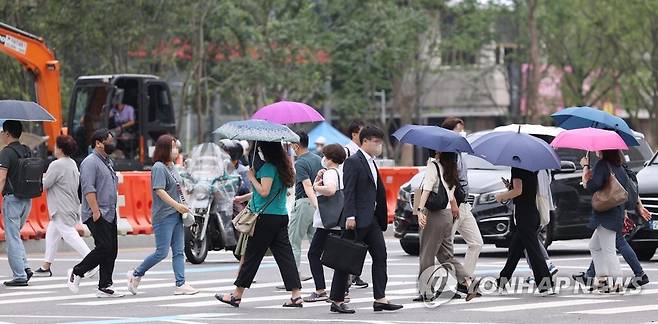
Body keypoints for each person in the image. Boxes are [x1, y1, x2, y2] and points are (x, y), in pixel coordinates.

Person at [216, 141, 303, 308]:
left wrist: (251, 178)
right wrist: (244, 197)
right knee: (286, 257)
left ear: (265, 149)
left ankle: (236, 295)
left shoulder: (268, 167)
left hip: (265, 218)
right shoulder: (283, 167)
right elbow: (265, 191)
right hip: (280, 216)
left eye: (260, 147)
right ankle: (296, 295)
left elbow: (264, 191)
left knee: (251, 257)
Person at [328, 126, 403, 314]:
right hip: (357, 219)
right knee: (346, 259)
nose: (379, 145)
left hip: (372, 220)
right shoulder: (354, 161)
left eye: (380, 141)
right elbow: (349, 190)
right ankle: (336, 300)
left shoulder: (372, 161)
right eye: (375, 141)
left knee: (380, 255)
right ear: (365, 142)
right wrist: (350, 216)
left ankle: (380, 298)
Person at [127, 135, 199, 296]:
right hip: (164, 216)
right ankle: (136, 273)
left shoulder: (172, 166)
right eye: (173, 147)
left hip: (177, 215)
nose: (176, 150)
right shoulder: (159, 167)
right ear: (165, 149)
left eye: (176, 146)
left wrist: (184, 206)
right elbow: (159, 191)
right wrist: (177, 205)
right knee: (162, 252)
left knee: (179, 251)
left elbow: (178, 189)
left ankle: (181, 284)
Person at [415, 151, 479, 302]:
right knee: (446, 256)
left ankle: (426, 291)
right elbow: (451, 194)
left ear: (438, 151)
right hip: (447, 215)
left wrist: (419, 210)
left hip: (434, 214)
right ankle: (468, 282)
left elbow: (427, 189)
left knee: (427, 254)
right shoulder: (450, 166)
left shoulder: (434, 164)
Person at [67, 129, 123, 298]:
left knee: (111, 249)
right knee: (105, 247)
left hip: (110, 212)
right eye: (108, 141)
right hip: (98, 212)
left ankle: (104, 286)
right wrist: (96, 211)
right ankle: (77, 272)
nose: (111, 144)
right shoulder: (90, 162)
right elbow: (88, 189)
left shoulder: (107, 161)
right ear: (98, 143)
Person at [34, 135, 96, 278]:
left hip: (61, 207)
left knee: (70, 235)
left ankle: (91, 261)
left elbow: (45, 184)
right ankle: (46, 266)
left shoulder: (57, 164)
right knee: (52, 234)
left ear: (60, 149)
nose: (54, 148)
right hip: (69, 205)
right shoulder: (71, 163)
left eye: (55, 146)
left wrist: (29, 182)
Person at [495, 167, 555, 295]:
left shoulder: (517, 168)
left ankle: (545, 285)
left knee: (533, 250)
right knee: (515, 251)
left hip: (524, 215)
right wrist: (510, 187)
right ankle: (501, 281)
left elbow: (518, 191)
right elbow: (524, 189)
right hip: (532, 212)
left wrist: (501, 196)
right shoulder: (532, 168)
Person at [441, 117, 483, 295]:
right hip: (453, 205)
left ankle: (464, 281)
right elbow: (446, 180)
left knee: (476, 243)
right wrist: (453, 203)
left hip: (464, 204)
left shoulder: (460, 151)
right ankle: (435, 284)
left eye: (462, 130)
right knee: (444, 248)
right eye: (458, 130)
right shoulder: (446, 153)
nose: (461, 133)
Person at [580, 150, 632, 292]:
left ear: (604, 150)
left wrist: (585, 169)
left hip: (606, 214)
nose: (596, 150)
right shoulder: (618, 167)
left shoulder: (602, 165)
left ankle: (617, 282)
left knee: (608, 249)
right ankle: (602, 278)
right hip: (616, 212)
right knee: (594, 246)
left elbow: (593, 186)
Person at [304, 144, 347, 302]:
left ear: (329, 158)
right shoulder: (342, 172)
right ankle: (342, 291)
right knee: (339, 257)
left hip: (327, 222)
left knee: (313, 254)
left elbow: (330, 190)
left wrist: (315, 186)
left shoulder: (330, 173)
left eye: (325, 156)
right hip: (339, 219)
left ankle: (320, 289)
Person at [0, 120, 34, 286]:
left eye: (2, 132)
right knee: (16, 236)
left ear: (7, 133)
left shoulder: (6, 152)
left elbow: (2, 177)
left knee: (12, 238)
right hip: (27, 200)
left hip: (12, 199)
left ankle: (19, 275)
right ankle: (26, 268)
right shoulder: (27, 150)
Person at [287, 132, 322, 284]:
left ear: (296, 145)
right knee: (316, 244)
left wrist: (315, 204)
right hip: (316, 204)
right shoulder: (318, 159)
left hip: (304, 203)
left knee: (294, 241)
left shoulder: (300, 162)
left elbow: (307, 186)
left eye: (292, 145)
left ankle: (293, 276)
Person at [342, 120, 369, 289]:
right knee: (349, 243)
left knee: (358, 243)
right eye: (362, 132)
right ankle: (346, 278)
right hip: (350, 202)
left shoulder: (363, 152)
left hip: (361, 205)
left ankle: (354, 274)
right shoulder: (347, 151)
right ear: (354, 134)